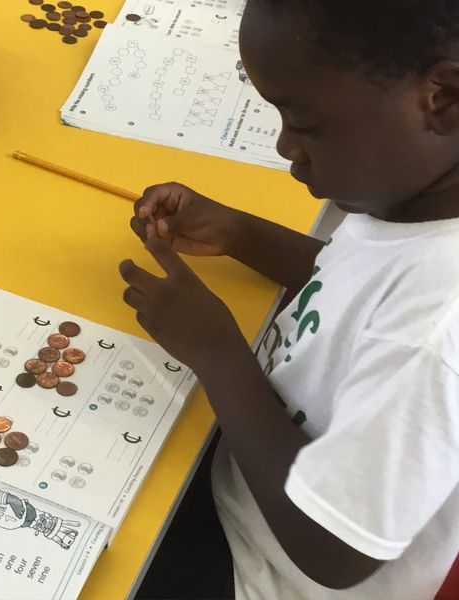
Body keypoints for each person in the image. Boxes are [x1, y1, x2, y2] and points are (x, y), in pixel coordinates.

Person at [119, 1, 459, 598]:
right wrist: (240, 234)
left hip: (267, 572)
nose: (283, 147)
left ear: (445, 98)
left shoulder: (435, 331)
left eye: (305, 125)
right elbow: (354, 289)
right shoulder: (413, 197)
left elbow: (334, 552)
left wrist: (219, 354)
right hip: (249, 482)